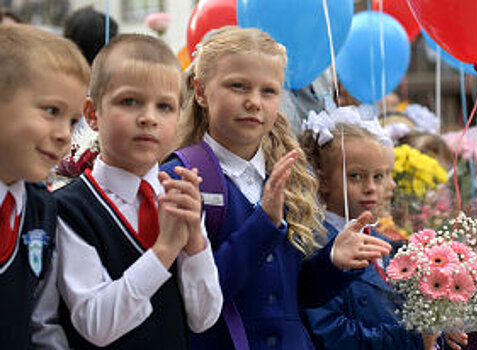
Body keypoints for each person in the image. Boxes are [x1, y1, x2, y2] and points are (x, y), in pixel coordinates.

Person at [160, 26, 392, 350]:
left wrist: (334, 262)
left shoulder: (290, 173)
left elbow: (295, 295)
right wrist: (263, 225)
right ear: (200, 92)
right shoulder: (179, 176)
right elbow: (193, 301)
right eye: (238, 86)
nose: (254, 102)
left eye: (268, 91)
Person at [46, 34, 223, 349]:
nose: (148, 118)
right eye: (130, 102)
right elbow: (96, 325)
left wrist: (195, 240)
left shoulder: (179, 198)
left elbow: (204, 317)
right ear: (92, 113)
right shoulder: (68, 208)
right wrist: (166, 249)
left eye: (165, 106)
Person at [300, 107, 469, 350]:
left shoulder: (381, 242)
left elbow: (398, 313)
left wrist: (437, 325)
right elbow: (329, 333)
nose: (370, 188)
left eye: (378, 177)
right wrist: (412, 339)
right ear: (323, 179)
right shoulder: (317, 244)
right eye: (356, 176)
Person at [0, 24, 90, 349]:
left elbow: (40, 319)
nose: (65, 134)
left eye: (72, 120)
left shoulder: (42, 208)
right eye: (51, 111)